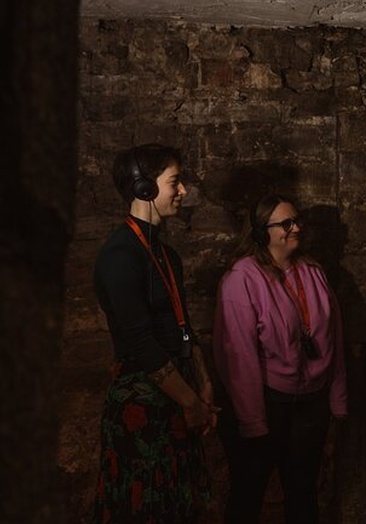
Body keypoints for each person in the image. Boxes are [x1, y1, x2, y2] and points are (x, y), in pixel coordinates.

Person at [92, 143, 217, 523]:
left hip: (175, 396)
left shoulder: (165, 254)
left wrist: (204, 382)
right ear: (143, 188)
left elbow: (182, 327)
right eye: (174, 182)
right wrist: (192, 402)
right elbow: (141, 343)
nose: (182, 192)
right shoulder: (119, 256)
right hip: (143, 407)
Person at [212, 193, 348, 524]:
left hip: (312, 400)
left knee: (303, 492)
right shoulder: (241, 278)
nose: (296, 228)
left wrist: (338, 398)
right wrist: (253, 419)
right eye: (286, 223)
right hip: (270, 401)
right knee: (249, 491)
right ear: (262, 231)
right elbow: (237, 355)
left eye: (297, 220)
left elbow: (335, 337)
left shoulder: (313, 272)